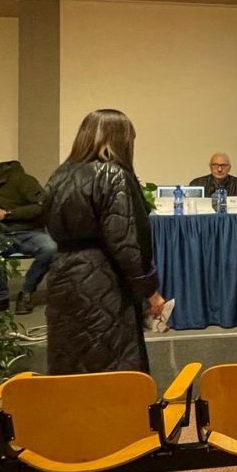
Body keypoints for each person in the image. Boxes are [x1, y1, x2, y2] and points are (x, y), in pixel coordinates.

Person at [43, 109, 165, 379]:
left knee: (70, 362)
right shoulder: (113, 176)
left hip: (62, 276)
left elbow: (49, 226)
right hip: (104, 280)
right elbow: (126, 243)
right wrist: (151, 292)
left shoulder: (58, 175)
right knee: (111, 366)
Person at [0, 153, 57, 314]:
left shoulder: (21, 180)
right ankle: (1, 296)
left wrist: (7, 214)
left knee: (50, 248)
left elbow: (41, 207)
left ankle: (27, 292)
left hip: (28, 232)